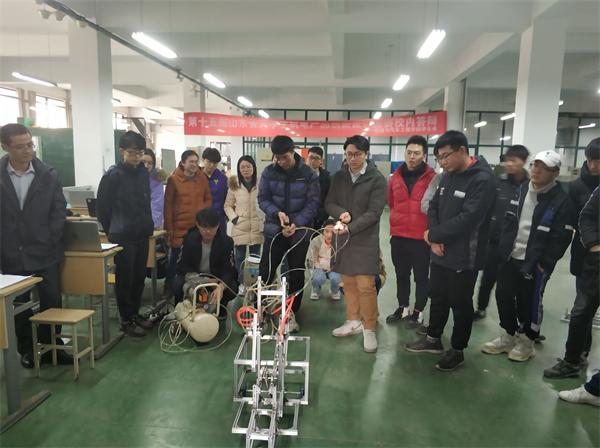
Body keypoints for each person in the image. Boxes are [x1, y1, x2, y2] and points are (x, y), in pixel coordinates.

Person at [405, 130, 495, 371]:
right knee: (437, 295)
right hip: (440, 250)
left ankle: (457, 349)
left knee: (460, 302)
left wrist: (434, 235)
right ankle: (433, 338)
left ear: (462, 150)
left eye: (445, 156)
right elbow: (433, 206)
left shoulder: (483, 180)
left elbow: (469, 219)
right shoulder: (448, 175)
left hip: (465, 255)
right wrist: (434, 239)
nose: (442, 162)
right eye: (438, 158)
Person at [482, 150, 574, 362]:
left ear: (555, 173)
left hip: (535, 262)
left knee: (529, 301)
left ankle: (527, 341)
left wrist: (545, 263)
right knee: (503, 295)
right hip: (510, 256)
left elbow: (561, 238)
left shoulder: (561, 200)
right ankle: (508, 334)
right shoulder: (522, 190)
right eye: (535, 165)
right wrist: (503, 249)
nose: (537, 170)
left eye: (544, 168)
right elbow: (509, 222)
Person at [0, 123, 69, 368]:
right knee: (19, 305)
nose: (28, 150)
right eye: (20, 147)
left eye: (30, 144)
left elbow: (58, 211)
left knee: (52, 300)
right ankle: (27, 350)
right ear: (5, 147)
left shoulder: (48, 174)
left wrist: (50, 238)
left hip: (45, 252)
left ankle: (52, 347)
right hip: (12, 254)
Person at [544, 139, 600, 378]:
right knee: (582, 310)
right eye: (590, 160)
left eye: (598, 161)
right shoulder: (578, 186)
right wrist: (593, 244)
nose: (594, 165)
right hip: (587, 256)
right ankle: (578, 355)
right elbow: (579, 218)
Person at [326, 135, 387, 353]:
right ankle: (352, 320)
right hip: (342, 238)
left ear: (366, 154)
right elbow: (329, 202)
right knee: (348, 282)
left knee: (366, 286)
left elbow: (374, 212)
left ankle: (369, 328)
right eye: (349, 154)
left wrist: (350, 227)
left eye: (357, 154)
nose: (353, 158)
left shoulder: (376, 179)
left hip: (365, 239)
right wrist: (340, 213)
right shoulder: (339, 176)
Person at [258, 135, 320, 331]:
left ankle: (291, 312)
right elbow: (263, 199)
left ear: (293, 152)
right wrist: (276, 214)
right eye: (277, 157)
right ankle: (262, 309)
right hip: (274, 230)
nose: (281, 161)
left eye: (284, 157)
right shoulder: (269, 172)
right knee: (266, 270)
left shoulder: (308, 174)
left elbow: (313, 203)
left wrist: (297, 223)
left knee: (296, 273)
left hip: (299, 233)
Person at [97, 131, 155, 337]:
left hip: (142, 232)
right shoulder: (113, 176)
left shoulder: (142, 173)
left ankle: (135, 314)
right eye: (132, 152)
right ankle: (126, 319)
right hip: (123, 235)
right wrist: (112, 230)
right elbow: (102, 208)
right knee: (125, 278)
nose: (136, 157)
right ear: (122, 151)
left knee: (139, 277)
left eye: (139, 153)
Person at [474, 145, 530, 320]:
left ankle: (517, 318)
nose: (509, 164)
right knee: (487, 278)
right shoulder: (498, 182)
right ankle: (481, 308)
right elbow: (487, 208)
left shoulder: (530, 186)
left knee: (512, 284)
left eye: (514, 160)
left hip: (517, 244)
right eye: (507, 160)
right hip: (494, 241)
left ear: (524, 161)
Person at [556, 186, 599, 406]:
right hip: (596, 264)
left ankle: (595, 389)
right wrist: (594, 244)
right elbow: (587, 215)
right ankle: (572, 361)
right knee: (580, 312)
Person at [386, 135, 435, 327]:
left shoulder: (433, 178)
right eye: (409, 152)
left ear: (424, 155)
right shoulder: (395, 177)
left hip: (421, 238)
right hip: (399, 236)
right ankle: (403, 307)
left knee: (421, 277)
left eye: (416, 153)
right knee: (401, 275)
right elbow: (391, 202)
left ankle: (418, 311)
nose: (412, 157)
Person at [164, 150, 212, 296]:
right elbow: (168, 206)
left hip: (197, 227)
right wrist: (169, 229)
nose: (194, 165)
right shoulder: (173, 180)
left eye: (196, 162)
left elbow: (208, 198)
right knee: (175, 261)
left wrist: (203, 214)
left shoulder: (202, 178)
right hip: (179, 228)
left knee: (195, 261)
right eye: (191, 161)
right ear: (183, 162)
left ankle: (194, 290)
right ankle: (169, 287)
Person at [173, 208, 238, 308]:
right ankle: (180, 308)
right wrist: (204, 280)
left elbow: (229, 270)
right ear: (197, 225)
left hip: (215, 278)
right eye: (204, 227)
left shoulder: (226, 242)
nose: (208, 231)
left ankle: (221, 308)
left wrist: (221, 287)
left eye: (212, 228)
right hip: (195, 276)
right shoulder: (189, 239)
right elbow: (181, 267)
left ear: (218, 225)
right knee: (177, 284)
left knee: (232, 287)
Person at [224, 155, 263, 287]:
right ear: (239, 169)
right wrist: (234, 218)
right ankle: (240, 283)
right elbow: (227, 205)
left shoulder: (260, 183)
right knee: (239, 258)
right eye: (242, 167)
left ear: (254, 167)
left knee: (255, 259)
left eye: (248, 166)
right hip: (240, 226)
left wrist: (263, 218)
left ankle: (252, 284)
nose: (245, 169)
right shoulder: (234, 185)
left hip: (257, 226)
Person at [308, 218, 342, 301]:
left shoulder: (340, 241)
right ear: (322, 231)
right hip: (318, 266)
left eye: (332, 232)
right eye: (326, 231)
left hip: (334, 267)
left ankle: (334, 291)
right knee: (317, 278)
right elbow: (311, 258)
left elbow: (342, 259)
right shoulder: (316, 241)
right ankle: (316, 289)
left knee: (336, 279)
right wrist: (318, 265)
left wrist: (333, 266)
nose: (329, 235)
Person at [202, 147, 228, 230]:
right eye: (209, 162)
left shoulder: (223, 179)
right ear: (203, 160)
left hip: (219, 220)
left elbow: (227, 199)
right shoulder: (196, 177)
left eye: (215, 163)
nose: (212, 165)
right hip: (201, 221)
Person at [141, 148, 168, 230]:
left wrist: (153, 225)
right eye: (143, 162)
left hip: (148, 224)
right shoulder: (129, 176)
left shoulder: (156, 179)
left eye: (150, 163)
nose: (146, 165)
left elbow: (157, 204)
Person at [307, 146, 331, 231]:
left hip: (319, 218)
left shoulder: (327, 177)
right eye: (311, 157)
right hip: (302, 217)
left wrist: (324, 213)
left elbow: (329, 198)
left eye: (316, 158)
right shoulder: (299, 176)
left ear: (321, 161)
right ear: (307, 158)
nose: (313, 161)